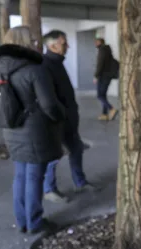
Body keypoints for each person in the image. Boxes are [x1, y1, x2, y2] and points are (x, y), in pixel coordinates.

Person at [0, 26, 65, 234]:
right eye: (33, 40)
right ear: (25, 42)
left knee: (20, 175)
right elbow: (49, 105)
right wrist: (61, 116)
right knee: (34, 176)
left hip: (11, 128)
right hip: (34, 131)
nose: (37, 43)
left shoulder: (1, 67)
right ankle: (35, 222)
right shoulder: (35, 69)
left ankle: (22, 221)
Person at [42, 30, 96, 203]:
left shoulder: (57, 62)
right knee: (53, 157)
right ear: (52, 46)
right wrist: (57, 117)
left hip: (69, 118)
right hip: (57, 120)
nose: (68, 46)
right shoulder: (46, 65)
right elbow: (48, 97)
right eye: (64, 43)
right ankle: (49, 189)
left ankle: (80, 182)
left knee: (76, 149)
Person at [93, 38, 117, 121]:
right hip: (108, 75)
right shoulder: (107, 50)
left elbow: (100, 64)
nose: (95, 43)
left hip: (103, 76)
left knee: (99, 95)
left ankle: (111, 108)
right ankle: (104, 114)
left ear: (100, 42)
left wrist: (96, 75)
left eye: (96, 42)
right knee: (103, 95)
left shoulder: (102, 50)